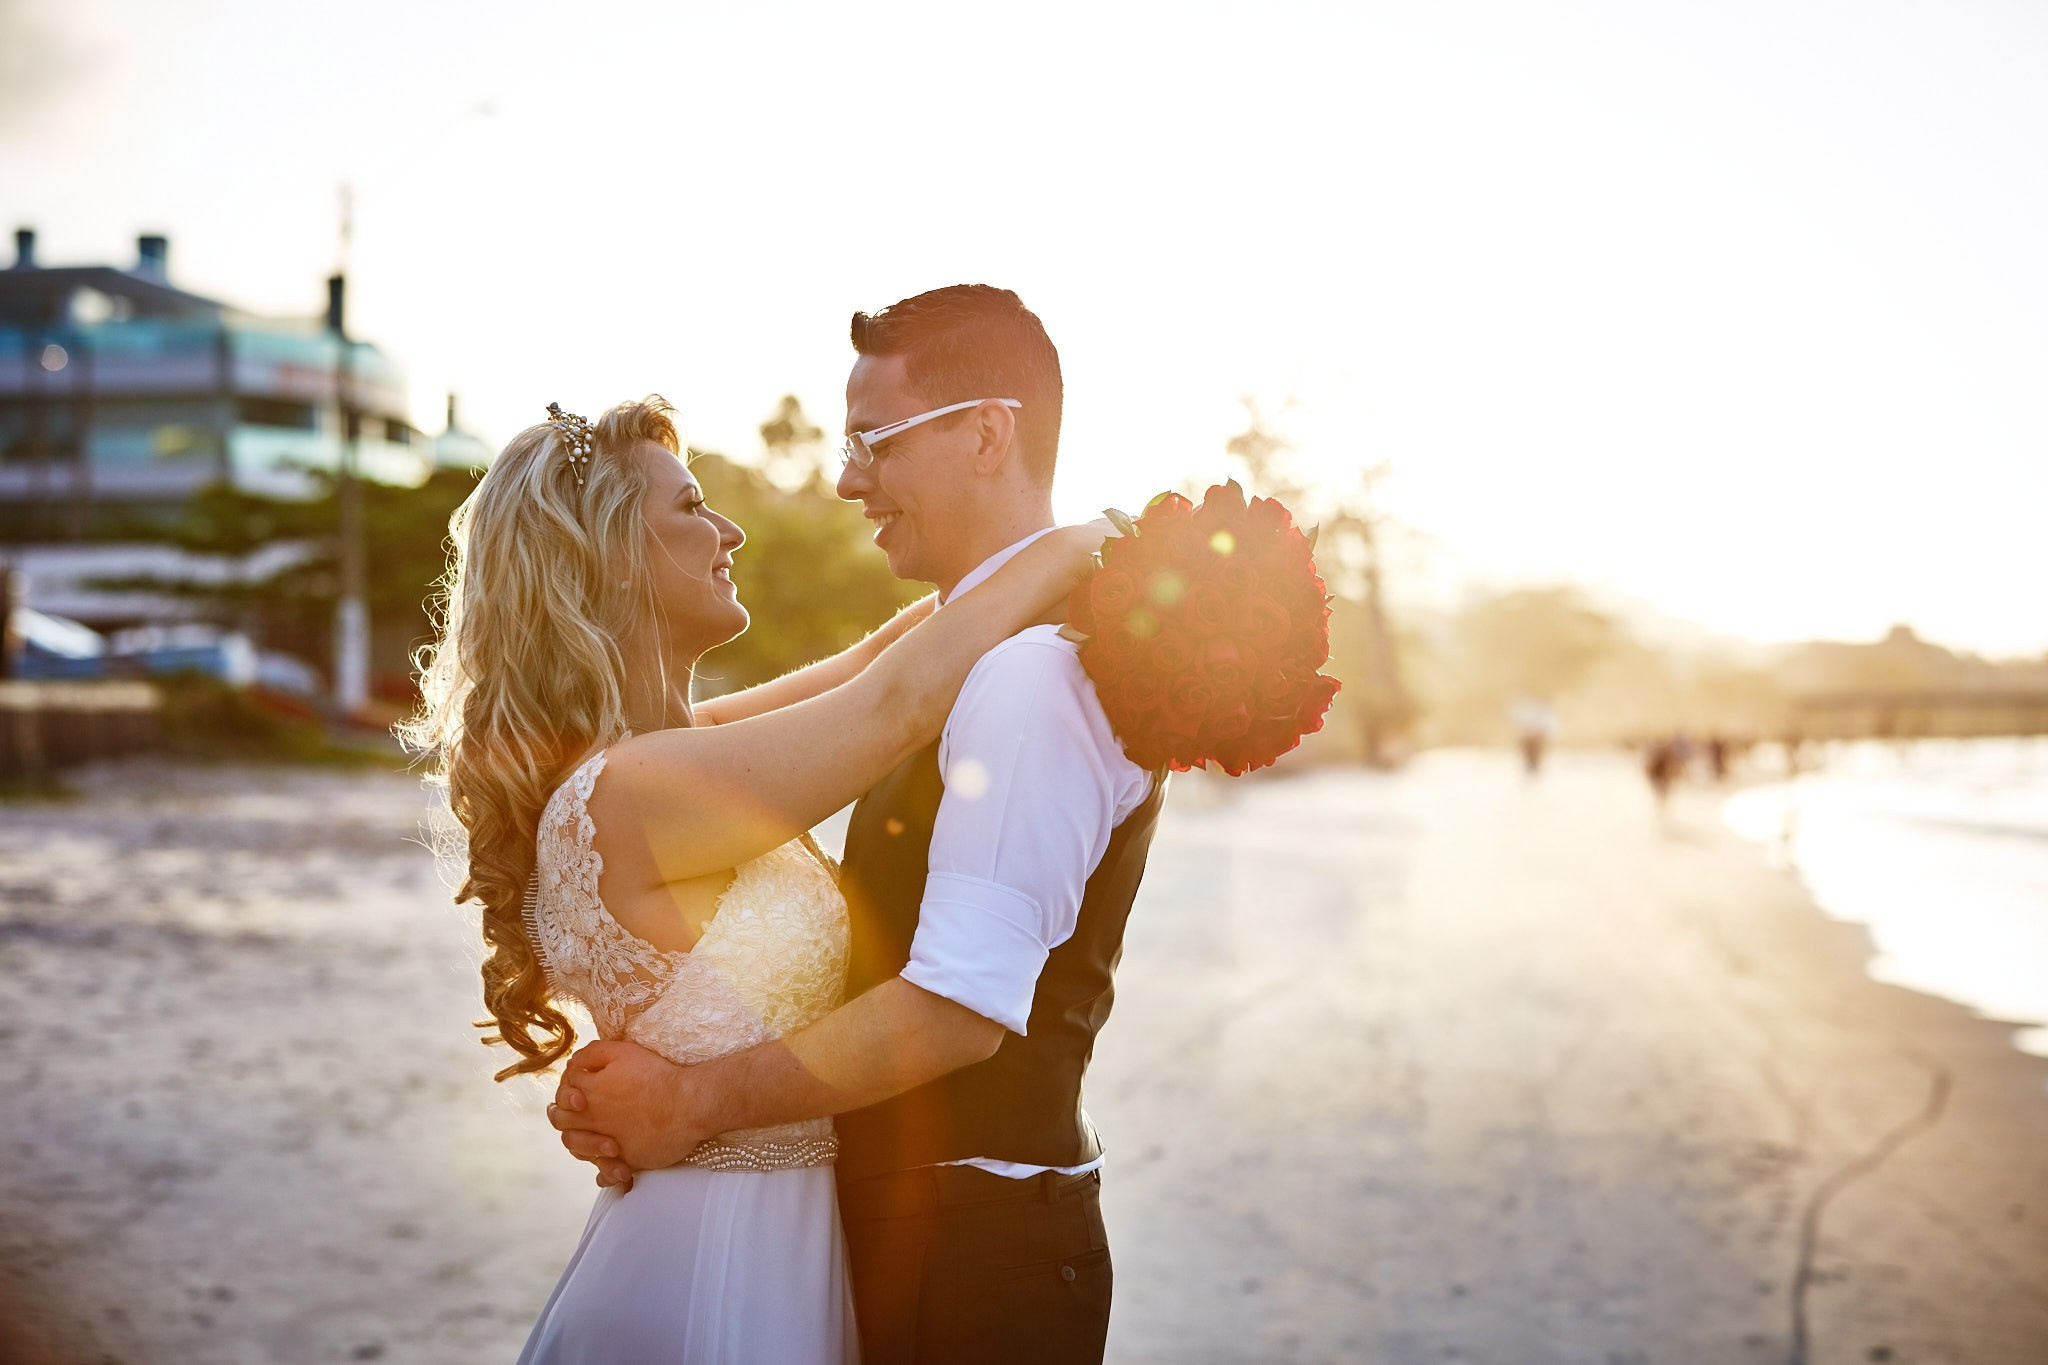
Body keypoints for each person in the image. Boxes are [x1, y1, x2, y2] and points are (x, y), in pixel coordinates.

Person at [400, 394, 1110, 1363]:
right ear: (608, 557)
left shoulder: (671, 756)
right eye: (692, 508)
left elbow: (879, 659)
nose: (729, 529)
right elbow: (894, 702)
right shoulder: (633, 791)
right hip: (715, 1250)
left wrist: (1006, 555)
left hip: (779, 1232)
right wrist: (1087, 545)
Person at [546, 286, 1167, 1364]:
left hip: (969, 1242)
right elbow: (880, 690)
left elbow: (956, 1009)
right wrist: (1067, 551)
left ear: (984, 432)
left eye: (871, 442)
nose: (843, 480)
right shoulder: (651, 768)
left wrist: (690, 1098)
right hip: (870, 1234)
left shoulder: (1029, 677)